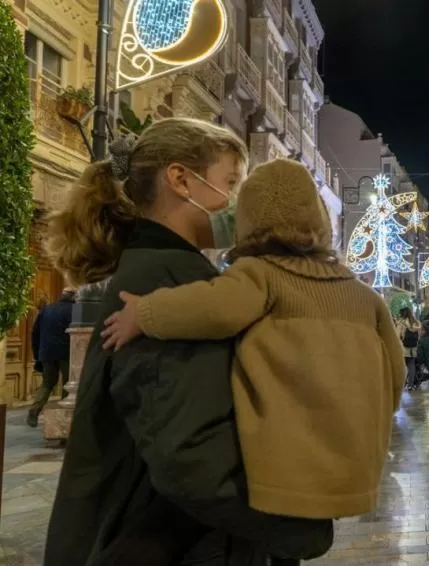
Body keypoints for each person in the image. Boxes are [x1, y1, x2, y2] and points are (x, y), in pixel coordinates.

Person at [43, 120, 332, 566]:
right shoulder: (166, 286)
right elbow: (192, 454)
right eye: (231, 182)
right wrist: (295, 527)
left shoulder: (170, 274)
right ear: (180, 180)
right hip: (170, 544)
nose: (238, 203)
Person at [101, 157, 406, 520]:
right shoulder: (365, 296)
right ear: (321, 220)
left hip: (281, 473)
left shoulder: (260, 276)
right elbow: (396, 374)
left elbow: (211, 308)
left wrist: (144, 313)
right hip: (354, 471)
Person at [27, 289, 75, 428]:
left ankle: (34, 411)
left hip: (47, 353)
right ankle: (64, 419)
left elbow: (35, 333)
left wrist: (38, 355)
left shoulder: (47, 310)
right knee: (69, 385)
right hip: (66, 353)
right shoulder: (75, 310)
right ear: (73, 297)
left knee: (47, 384)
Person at [397, 307, 422, 391]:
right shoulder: (416, 323)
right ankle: (410, 385)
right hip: (413, 348)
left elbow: (397, 335)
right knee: (411, 366)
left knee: (402, 366)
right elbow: (419, 335)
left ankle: (402, 384)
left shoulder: (402, 322)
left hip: (403, 347)